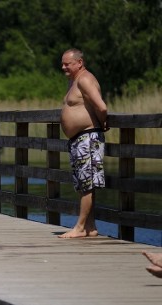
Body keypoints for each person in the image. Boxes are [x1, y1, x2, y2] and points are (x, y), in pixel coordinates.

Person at [59, 48, 108, 238]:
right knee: (82, 184)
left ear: (79, 63)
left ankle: (79, 228)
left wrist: (102, 122)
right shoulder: (75, 81)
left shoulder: (85, 79)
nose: (63, 67)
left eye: (67, 64)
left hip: (88, 137)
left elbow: (101, 106)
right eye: (62, 63)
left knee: (87, 184)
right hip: (78, 139)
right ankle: (90, 226)